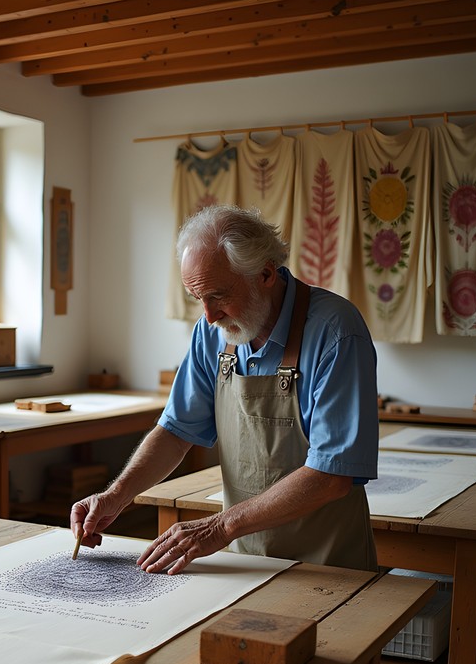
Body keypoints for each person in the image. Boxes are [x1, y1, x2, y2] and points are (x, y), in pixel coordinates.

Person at [71, 204, 379, 575]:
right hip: (245, 561)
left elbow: (332, 475)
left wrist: (219, 527)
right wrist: (115, 496)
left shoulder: (336, 332)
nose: (208, 315)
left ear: (265, 273)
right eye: (197, 297)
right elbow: (175, 432)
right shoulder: (214, 332)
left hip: (326, 566)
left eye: (218, 295)